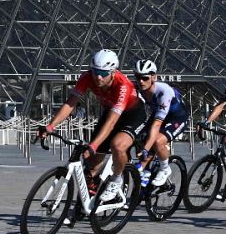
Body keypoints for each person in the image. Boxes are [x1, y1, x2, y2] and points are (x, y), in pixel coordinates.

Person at [36, 49, 145, 210]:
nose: (98, 77)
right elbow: (70, 104)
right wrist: (50, 126)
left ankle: (116, 180)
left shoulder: (123, 85)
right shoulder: (87, 77)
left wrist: (93, 145)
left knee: (117, 145)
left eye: (103, 73)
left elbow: (112, 122)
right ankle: (90, 196)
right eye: (95, 71)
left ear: (113, 72)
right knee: (92, 163)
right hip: (110, 111)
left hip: (132, 115)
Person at [131, 60, 188, 187]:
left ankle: (165, 168)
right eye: (138, 77)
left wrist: (146, 148)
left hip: (177, 118)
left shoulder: (163, 91)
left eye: (145, 78)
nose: (141, 81)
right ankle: (146, 171)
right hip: (159, 115)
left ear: (154, 77)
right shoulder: (137, 89)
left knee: (157, 141)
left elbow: (156, 125)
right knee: (139, 136)